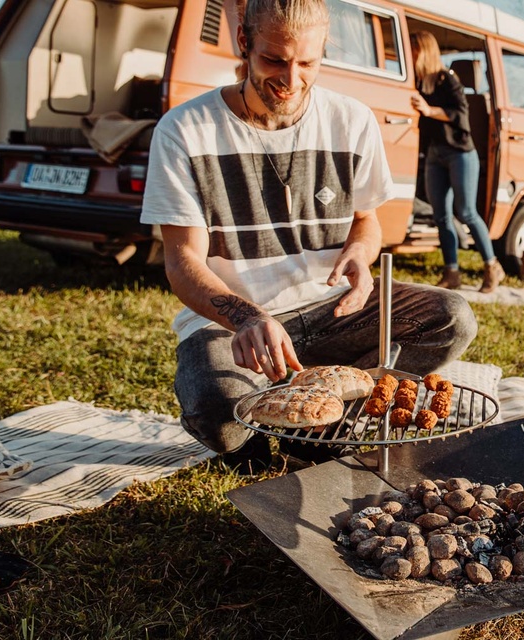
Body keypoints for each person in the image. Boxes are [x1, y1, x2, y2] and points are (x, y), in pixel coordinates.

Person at [140, 0, 478, 474]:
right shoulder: (184, 130)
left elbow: (366, 220)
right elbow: (181, 261)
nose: (291, 79)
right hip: (231, 322)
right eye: (274, 60)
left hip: (331, 310)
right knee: (217, 409)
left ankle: (329, 423)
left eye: (308, 63)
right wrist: (248, 317)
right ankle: (250, 446)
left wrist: (361, 252)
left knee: (453, 318)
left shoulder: (352, 119)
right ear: (244, 42)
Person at [409, 31, 505, 293]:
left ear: (425, 51)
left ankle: (492, 265)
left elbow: (460, 115)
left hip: (460, 153)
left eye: (415, 50)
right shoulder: (419, 83)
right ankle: (451, 272)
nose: (412, 55)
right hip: (434, 155)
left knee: (466, 213)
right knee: (441, 216)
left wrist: (428, 110)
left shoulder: (448, 80)